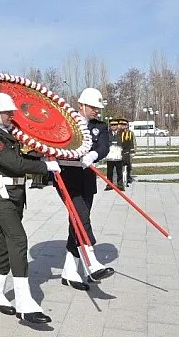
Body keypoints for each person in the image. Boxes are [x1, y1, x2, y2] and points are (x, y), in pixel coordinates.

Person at [0, 93, 59, 324]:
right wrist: (44, 167)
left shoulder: (4, 132)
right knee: (18, 240)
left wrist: (41, 153)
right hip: (1, 196)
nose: (11, 115)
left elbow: (20, 155)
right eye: (7, 112)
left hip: (15, 195)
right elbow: (14, 163)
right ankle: (24, 302)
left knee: (5, 244)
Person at [56, 88, 114, 292]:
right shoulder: (66, 121)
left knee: (77, 220)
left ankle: (69, 272)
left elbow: (104, 147)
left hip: (87, 177)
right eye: (93, 107)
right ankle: (92, 263)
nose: (96, 111)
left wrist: (93, 155)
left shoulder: (100, 126)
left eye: (98, 108)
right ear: (81, 105)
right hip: (66, 176)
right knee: (80, 217)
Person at [104, 118, 125, 191]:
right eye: (112, 125)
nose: (113, 126)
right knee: (109, 172)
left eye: (115, 125)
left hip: (119, 155)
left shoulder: (122, 133)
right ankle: (109, 184)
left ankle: (120, 185)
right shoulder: (107, 133)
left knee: (119, 171)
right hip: (110, 155)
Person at [119, 119, 135, 185]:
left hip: (128, 151)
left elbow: (133, 142)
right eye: (122, 125)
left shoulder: (130, 133)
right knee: (119, 165)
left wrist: (133, 151)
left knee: (128, 164)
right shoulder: (118, 132)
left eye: (125, 125)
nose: (123, 126)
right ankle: (120, 178)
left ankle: (128, 177)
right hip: (119, 150)